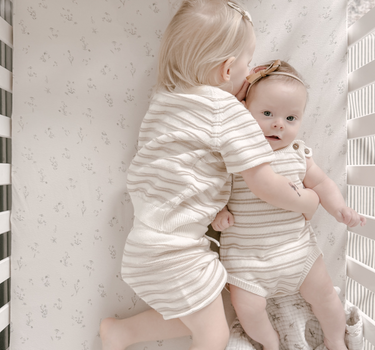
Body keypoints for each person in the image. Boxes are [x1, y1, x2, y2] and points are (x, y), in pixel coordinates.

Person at [100, 2, 321, 349]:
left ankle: (121, 333)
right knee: (214, 334)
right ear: (227, 70)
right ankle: (121, 333)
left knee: (214, 315)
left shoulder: (164, 99)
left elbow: (177, 166)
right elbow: (262, 182)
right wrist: (305, 200)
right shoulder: (225, 111)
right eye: (247, 65)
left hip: (148, 240)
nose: (249, 76)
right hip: (177, 248)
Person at [211, 60, 366, 350]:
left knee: (327, 298)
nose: (278, 124)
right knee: (247, 308)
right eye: (267, 113)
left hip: (297, 253)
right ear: (245, 112)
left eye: (291, 118)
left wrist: (340, 209)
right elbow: (214, 190)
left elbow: (321, 185)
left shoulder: (298, 154)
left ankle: (335, 340)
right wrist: (218, 214)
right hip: (248, 262)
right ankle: (272, 344)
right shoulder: (235, 155)